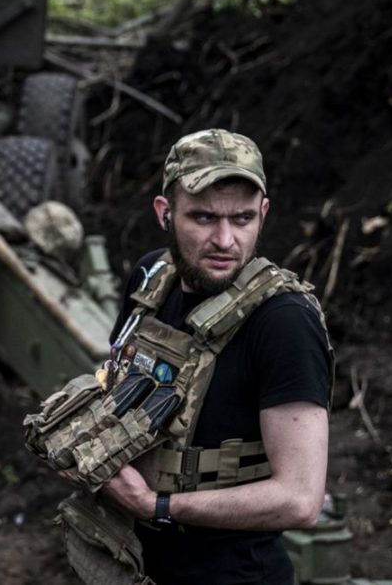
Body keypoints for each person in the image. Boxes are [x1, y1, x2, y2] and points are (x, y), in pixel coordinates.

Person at [58, 129, 333, 584]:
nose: (225, 240)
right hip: (127, 557)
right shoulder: (151, 280)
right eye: (203, 218)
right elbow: (118, 384)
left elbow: (300, 500)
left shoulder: (283, 323)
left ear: (263, 213)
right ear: (166, 213)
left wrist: (156, 506)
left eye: (242, 219)